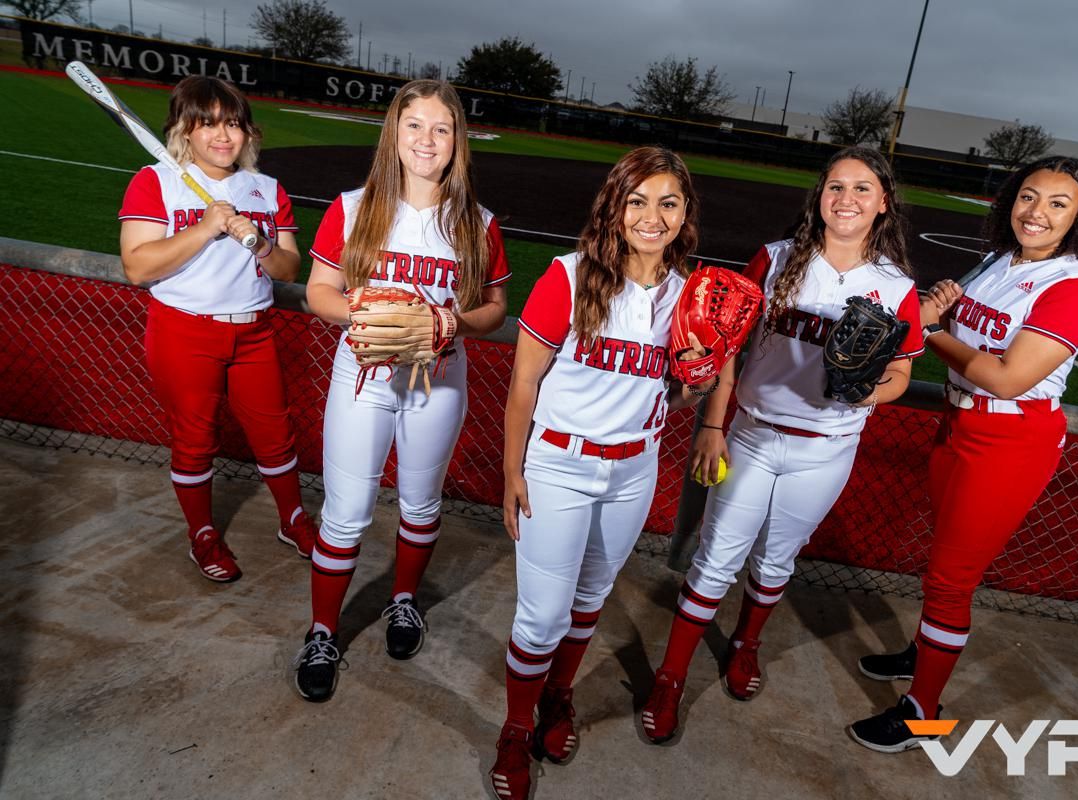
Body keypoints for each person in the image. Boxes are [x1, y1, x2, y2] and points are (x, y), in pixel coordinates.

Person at [638, 146, 925, 744]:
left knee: (775, 561)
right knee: (716, 558)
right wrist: (713, 428)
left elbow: (900, 371)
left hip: (827, 446)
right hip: (752, 437)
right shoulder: (775, 259)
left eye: (862, 189)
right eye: (836, 186)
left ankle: (745, 644)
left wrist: (866, 389)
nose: (846, 199)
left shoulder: (895, 286)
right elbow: (726, 350)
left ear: (884, 204)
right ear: (819, 196)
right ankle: (670, 677)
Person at [849, 155, 1078, 752]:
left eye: (1057, 204)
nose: (1037, 213)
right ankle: (923, 656)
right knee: (940, 559)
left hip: (1009, 440)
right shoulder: (1004, 262)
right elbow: (968, 333)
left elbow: (1006, 378)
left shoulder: (1073, 284)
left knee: (952, 579)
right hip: (958, 425)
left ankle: (922, 712)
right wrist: (946, 305)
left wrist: (926, 331)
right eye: (1028, 197)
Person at [488, 146, 713, 800]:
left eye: (668, 202)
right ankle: (514, 724)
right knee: (539, 619)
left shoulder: (691, 295)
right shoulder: (568, 276)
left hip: (632, 470)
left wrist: (694, 390)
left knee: (589, 600)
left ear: (684, 214)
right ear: (614, 207)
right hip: (558, 463)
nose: (652, 215)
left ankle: (558, 696)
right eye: (637, 200)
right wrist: (512, 472)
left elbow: (665, 395)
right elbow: (523, 385)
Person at [294, 80, 509, 702]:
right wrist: (360, 311)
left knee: (419, 501)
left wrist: (452, 321)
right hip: (363, 376)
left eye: (441, 129)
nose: (426, 140)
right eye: (414, 125)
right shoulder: (353, 207)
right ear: (394, 133)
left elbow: (495, 307)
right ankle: (322, 631)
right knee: (345, 512)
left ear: (457, 143)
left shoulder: (477, 221)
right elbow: (318, 292)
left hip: (438, 379)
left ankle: (404, 601)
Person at [118, 75, 316, 584]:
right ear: (185, 131)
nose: (222, 135)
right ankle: (202, 534)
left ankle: (293, 519)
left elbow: (290, 271)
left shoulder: (266, 190)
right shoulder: (155, 180)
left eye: (232, 123)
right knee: (194, 440)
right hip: (184, 330)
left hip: (254, 330)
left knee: (276, 433)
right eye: (206, 124)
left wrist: (260, 244)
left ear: (248, 132)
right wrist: (205, 227)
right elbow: (138, 267)